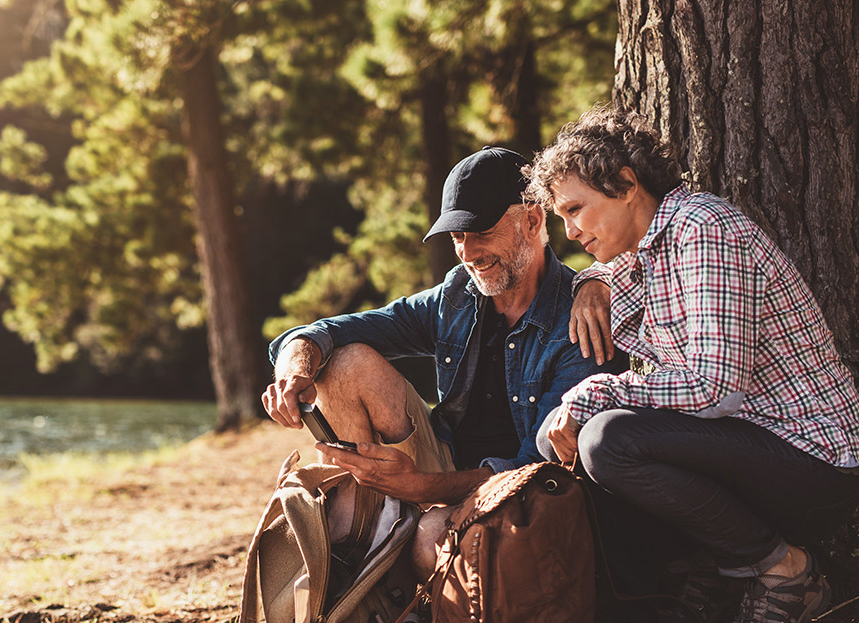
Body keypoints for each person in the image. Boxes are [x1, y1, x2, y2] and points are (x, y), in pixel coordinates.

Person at [525, 106, 859, 623]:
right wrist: (588, 283)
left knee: (606, 438)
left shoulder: (701, 230)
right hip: (743, 453)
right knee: (557, 439)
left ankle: (788, 572)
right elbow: (602, 281)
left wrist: (594, 395)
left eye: (576, 210)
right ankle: (701, 576)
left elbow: (716, 386)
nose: (571, 232)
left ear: (626, 184)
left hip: (813, 461)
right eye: (562, 217)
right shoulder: (638, 252)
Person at [261, 146, 614, 576]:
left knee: (433, 540)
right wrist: (294, 367)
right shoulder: (458, 293)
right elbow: (337, 330)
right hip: (441, 462)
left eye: (480, 231)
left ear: (533, 220)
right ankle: (372, 531)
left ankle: (389, 544)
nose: (468, 252)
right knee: (344, 362)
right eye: (457, 237)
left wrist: (419, 486)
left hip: (518, 491)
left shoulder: (580, 319)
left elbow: (537, 466)